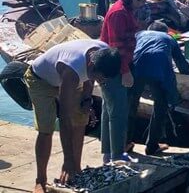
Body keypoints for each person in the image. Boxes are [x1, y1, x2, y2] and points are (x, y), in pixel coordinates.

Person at [24, 40, 120, 193]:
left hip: (68, 78)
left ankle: (76, 168)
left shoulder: (105, 53)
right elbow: (64, 119)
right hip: (40, 80)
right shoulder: (72, 71)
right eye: (100, 78)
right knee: (46, 129)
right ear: (90, 66)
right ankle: (40, 180)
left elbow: (90, 77)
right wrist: (66, 159)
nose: (101, 82)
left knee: (81, 119)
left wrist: (87, 98)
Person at [99, 0, 150, 163]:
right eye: (138, 0)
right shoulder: (118, 13)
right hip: (114, 67)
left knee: (108, 110)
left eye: (144, 1)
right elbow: (116, 46)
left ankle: (108, 154)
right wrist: (125, 71)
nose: (140, 4)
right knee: (118, 111)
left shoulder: (126, 10)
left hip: (113, 66)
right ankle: (117, 154)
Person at [127, 21, 189, 155]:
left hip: (136, 67)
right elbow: (182, 64)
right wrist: (187, 73)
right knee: (160, 106)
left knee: (131, 105)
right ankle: (152, 146)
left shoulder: (140, 34)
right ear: (166, 32)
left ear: (149, 29)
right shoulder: (169, 38)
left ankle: (125, 142)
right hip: (159, 70)